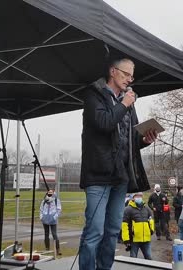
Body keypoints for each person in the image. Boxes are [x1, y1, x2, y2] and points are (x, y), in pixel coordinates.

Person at [79, 57, 158, 270]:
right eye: (126, 74)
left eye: (132, 76)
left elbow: (130, 138)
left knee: (113, 229)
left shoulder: (127, 103)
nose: (129, 79)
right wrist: (124, 104)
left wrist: (144, 139)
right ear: (113, 72)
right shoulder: (93, 95)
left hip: (121, 177)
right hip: (98, 175)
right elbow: (104, 123)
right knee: (95, 230)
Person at [122, 192, 154, 260]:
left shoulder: (147, 208)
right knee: (133, 260)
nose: (139, 197)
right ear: (133, 197)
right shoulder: (128, 209)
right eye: (136, 196)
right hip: (134, 240)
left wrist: (151, 230)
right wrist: (126, 240)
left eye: (140, 196)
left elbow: (151, 220)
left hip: (146, 239)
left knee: (149, 259)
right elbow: (124, 225)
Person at [40, 189, 62, 255]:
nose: (50, 193)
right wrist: (41, 217)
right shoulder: (44, 201)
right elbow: (41, 209)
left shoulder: (56, 200)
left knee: (54, 234)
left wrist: (54, 217)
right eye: (49, 192)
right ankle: (47, 248)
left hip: (53, 219)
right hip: (45, 218)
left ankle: (57, 249)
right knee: (46, 234)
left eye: (51, 192)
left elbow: (59, 209)